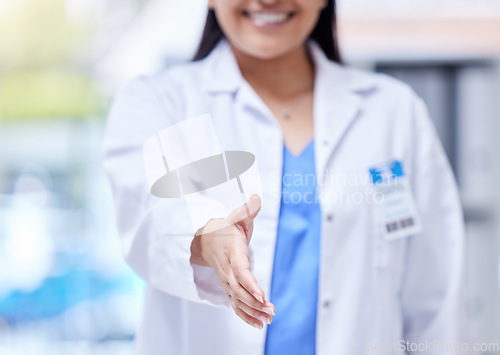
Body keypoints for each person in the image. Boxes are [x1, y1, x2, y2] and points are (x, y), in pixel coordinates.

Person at [102, 0, 472, 354]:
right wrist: (210, 238)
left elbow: (434, 294)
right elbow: (148, 210)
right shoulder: (160, 102)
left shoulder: (393, 112)